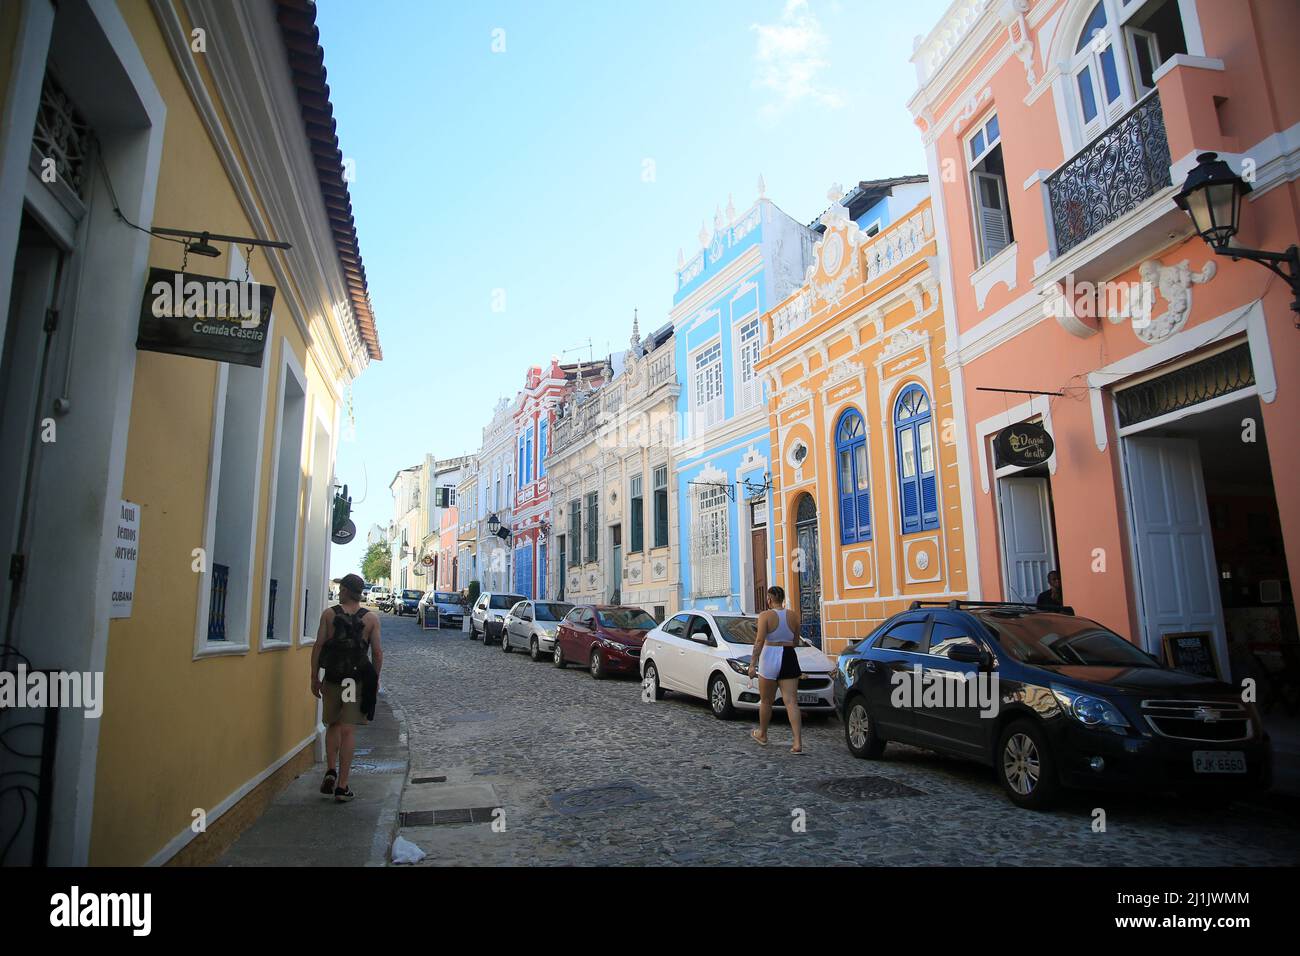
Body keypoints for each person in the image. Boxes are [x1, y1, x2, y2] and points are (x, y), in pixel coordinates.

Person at [311, 573, 383, 803]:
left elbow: (318, 646)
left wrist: (314, 676)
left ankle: (330, 769)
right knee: (348, 729)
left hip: (333, 677)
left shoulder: (329, 615)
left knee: (332, 724)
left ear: (343, 590)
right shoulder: (371, 619)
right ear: (360, 593)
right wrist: (375, 679)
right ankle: (342, 785)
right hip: (355, 679)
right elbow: (378, 653)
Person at [747, 585, 805, 754]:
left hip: (770, 654)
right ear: (783, 599)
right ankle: (797, 742)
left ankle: (763, 734)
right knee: (791, 701)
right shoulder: (793, 615)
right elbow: (795, 641)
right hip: (788, 655)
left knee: (766, 700)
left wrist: (752, 663)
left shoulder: (765, 615)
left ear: (769, 599)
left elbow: (759, 641)